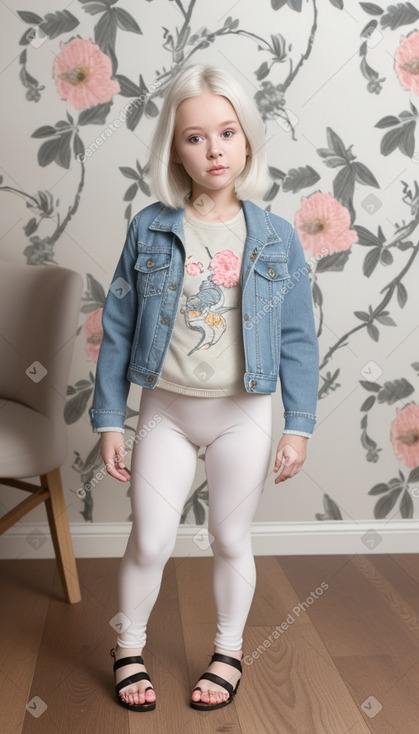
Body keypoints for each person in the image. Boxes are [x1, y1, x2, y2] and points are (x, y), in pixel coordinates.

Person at [89, 63, 319, 713]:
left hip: (242, 414)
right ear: (174, 149)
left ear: (247, 140)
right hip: (163, 412)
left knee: (228, 538)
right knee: (152, 539)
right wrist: (111, 418)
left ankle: (228, 651)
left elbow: (298, 336)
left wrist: (297, 424)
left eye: (226, 132)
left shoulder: (274, 237)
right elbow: (118, 327)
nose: (213, 149)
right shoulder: (151, 228)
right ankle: (127, 646)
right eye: (194, 137)